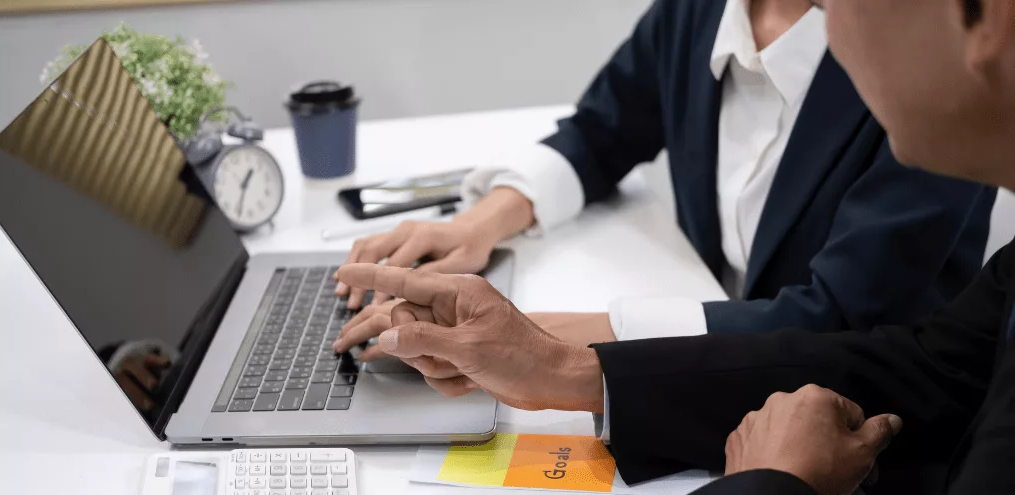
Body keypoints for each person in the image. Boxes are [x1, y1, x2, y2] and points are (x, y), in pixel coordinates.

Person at [334, 0, 1015, 495]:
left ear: (988, 19)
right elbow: (932, 362)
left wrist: (767, 490)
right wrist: (567, 366)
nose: (836, 24)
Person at [332, 0, 996, 359]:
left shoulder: (918, 70)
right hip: (717, 366)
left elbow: (836, 319)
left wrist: (529, 335)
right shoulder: (698, 11)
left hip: (869, 423)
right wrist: (477, 225)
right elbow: (604, 129)